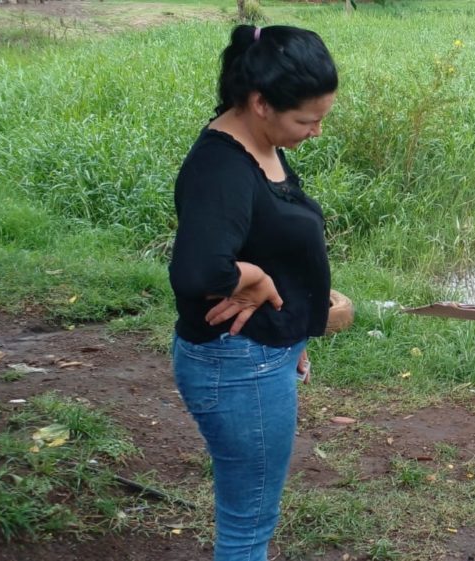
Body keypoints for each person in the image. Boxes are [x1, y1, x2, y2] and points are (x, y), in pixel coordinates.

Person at [168, 24, 337, 561]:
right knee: (247, 527)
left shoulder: (260, 142)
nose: (314, 132)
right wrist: (257, 281)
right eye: (305, 120)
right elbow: (197, 271)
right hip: (237, 366)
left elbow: (269, 239)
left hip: (261, 357)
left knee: (252, 516)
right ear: (260, 102)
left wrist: (297, 327)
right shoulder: (222, 168)